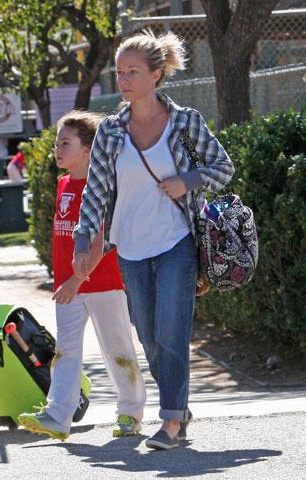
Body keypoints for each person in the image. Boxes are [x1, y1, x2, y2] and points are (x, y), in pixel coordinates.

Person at [72, 30, 234, 450]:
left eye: (132, 72)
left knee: (172, 332)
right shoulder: (110, 131)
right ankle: (178, 405)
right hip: (130, 246)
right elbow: (96, 190)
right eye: (119, 72)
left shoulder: (184, 122)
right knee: (148, 336)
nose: (123, 80)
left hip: (177, 240)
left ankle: (172, 422)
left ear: (156, 75)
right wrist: (82, 240)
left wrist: (188, 180)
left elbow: (223, 166)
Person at [17, 111, 146, 441]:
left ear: (89, 150)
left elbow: (101, 241)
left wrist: (76, 280)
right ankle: (58, 415)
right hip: (68, 287)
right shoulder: (63, 183)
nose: (57, 149)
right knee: (66, 350)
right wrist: (66, 279)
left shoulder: (101, 186)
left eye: (66, 143)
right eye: (57, 142)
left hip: (102, 283)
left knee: (117, 347)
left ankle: (130, 413)